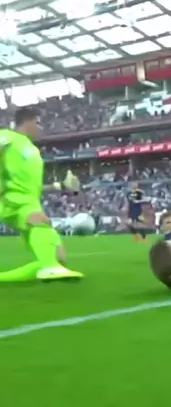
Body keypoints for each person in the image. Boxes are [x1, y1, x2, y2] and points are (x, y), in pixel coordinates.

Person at [0, 107, 83, 283]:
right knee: (40, 221)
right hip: (12, 200)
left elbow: (32, 186)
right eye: (37, 123)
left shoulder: (32, 150)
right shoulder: (8, 137)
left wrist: (60, 186)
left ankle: (46, 267)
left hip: (30, 202)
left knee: (58, 258)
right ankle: (49, 269)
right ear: (26, 121)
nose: (40, 127)